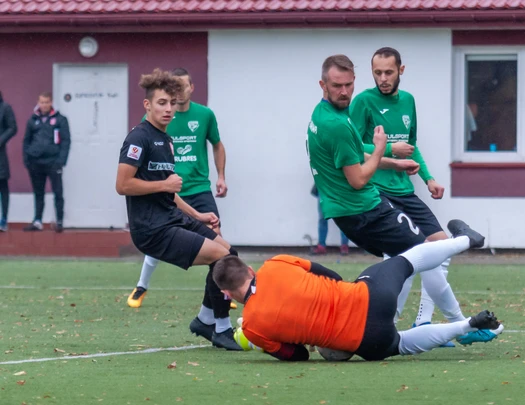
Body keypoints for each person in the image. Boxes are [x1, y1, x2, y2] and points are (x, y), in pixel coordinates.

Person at [305, 54, 502, 345]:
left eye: (348, 85)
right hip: (365, 204)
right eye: (337, 86)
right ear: (323, 85)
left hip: (369, 203)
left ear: (400, 71)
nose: (344, 91)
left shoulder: (329, 115)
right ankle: (463, 306)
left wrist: (409, 168)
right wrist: (384, 148)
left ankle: (399, 322)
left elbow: (371, 151)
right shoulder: (344, 116)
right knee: (423, 255)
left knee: (411, 259)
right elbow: (358, 171)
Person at [213, 220, 503, 361]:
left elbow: (298, 356)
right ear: (249, 270)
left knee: (401, 343)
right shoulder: (274, 264)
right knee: (406, 260)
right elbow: (325, 272)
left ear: (227, 294)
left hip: (364, 343)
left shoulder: (251, 328)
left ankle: (466, 325)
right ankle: (465, 241)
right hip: (369, 297)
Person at [116, 68, 241, 350]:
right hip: (152, 229)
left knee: (229, 253)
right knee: (220, 258)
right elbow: (123, 185)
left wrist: (197, 215)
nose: (169, 108)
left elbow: (169, 191)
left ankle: (205, 319)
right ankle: (221, 328)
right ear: (147, 105)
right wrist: (163, 184)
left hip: (172, 218)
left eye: (172, 103)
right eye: (162, 103)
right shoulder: (139, 138)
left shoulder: (166, 139)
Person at [348, 47, 459, 344]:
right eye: (377, 73)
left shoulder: (408, 101)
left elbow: (412, 145)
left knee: (440, 248)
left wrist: (429, 177)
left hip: (404, 190)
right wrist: (387, 150)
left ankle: (423, 318)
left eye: (389, 72)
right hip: (378, 191)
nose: (383, 78)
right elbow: (352, 147)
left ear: (401, 70)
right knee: (401, 257)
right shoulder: (363, 102)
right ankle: (388, 324)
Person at [128, 67, 229, 307]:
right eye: (163, 100)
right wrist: (164, 183)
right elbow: (125, 180)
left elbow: (217, 144)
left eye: (184, 86)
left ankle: (223, 291)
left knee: (220, 241)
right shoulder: (149, 126)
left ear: (192, 88)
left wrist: (221, 176)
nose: (179, 92)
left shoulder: (204, 115)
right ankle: (142, 285)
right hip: (167, 193)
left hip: (198, 188)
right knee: (161, 238)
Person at [23, 91, 71, 233]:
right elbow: (26, 140)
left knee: (58, 192)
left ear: (51, 102)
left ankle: (60, 221)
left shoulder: (60, 119)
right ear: (38, 103)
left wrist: (61, 161)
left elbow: (66, 141)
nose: (43, 105)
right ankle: (37, 221)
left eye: (46, 102)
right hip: (36, 162)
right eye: (41, 102)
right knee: (38, 193)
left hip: (53, 162)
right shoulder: (32, 119)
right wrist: (27, 159)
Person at [310, 184, 349, 255]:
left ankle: (344, 245)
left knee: (343, 217)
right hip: (325, 187)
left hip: (337, 186)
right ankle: (322, 246)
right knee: (323, 218)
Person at [0, 91, 18, 232]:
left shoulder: (5, 108)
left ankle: (4, 219)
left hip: (0, 155)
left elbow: (12, 128)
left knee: (3, 186)